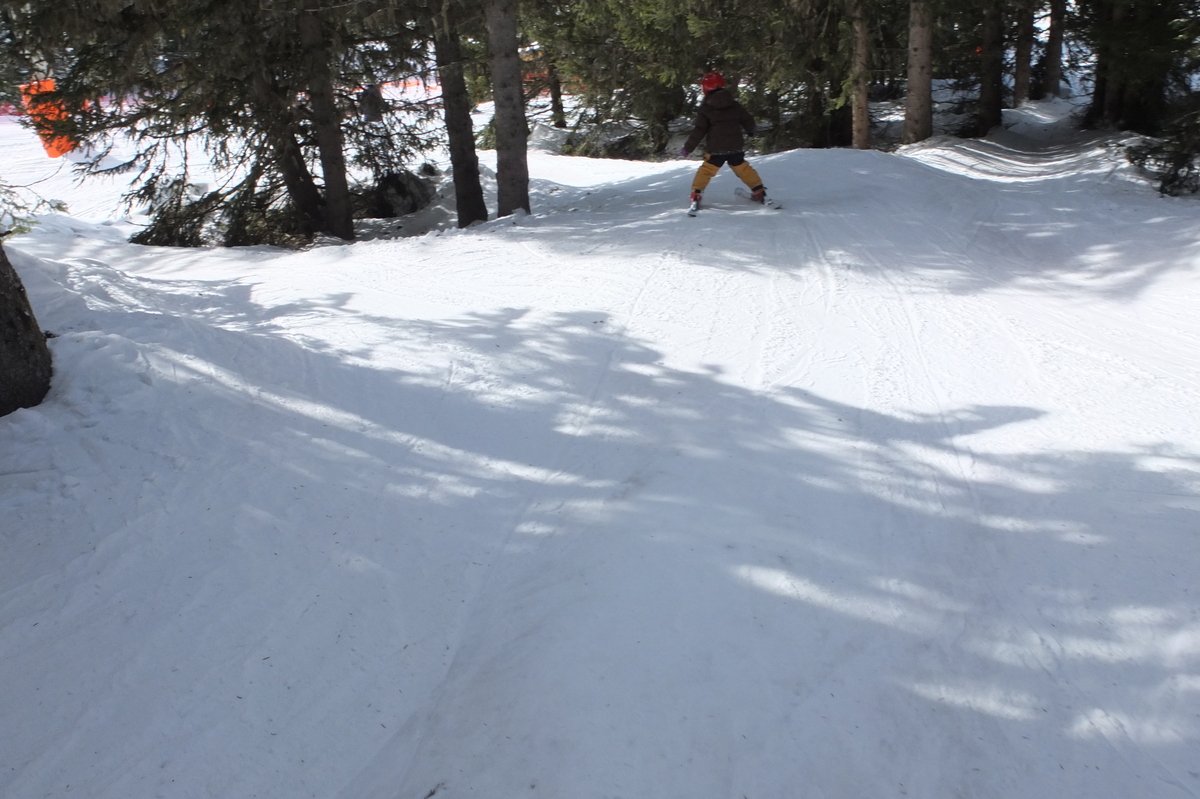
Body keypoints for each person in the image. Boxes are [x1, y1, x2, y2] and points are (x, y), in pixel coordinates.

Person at [680, 72, 767, 205]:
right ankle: (759, 191)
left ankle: (696, 194)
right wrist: (752, 130)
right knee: (743, 169)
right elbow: (747, 119)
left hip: (716, 149)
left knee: (706, 171)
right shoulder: (734, 105)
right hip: (735, 147)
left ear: (705, 89)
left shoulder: (706, 109)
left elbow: (699, 130)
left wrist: (688, 148)